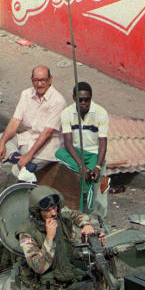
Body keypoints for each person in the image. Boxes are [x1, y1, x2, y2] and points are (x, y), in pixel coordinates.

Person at [16, 185, 102, 290]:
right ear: (37, 212)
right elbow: (38, 267)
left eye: (55, 208)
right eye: (48, 210)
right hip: (46, 287)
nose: (53, 213)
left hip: (68, 277)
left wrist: (86, 225)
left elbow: (75, 215)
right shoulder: (26, 232)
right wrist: (49, 238)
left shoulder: (59, 217)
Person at [0, 66, 66, 180]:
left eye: (43, 80)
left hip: (47, 146)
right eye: (36, 80)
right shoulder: (26, 94)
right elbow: (15, 120)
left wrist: (28, 156)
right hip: (29, 138)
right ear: (32, 80)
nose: (40, 84)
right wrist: (2, 143)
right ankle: (16, 157)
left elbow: (47, 133)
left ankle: (16, 161)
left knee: (14, 171)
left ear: (50, 80)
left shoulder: (58, 101)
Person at [57, 81, 110, 217]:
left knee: (88, 181)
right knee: (58, 153)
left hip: (93, 154)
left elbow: (103, 142)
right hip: (76, 152)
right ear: (74, 98)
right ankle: (85, 170)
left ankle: (85, 215)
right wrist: (81, 166)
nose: (84, 103)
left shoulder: (101, 113)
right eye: (80, 100)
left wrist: (98, 166)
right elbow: (68, 143)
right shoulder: (66, 113)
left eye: (87, 100)